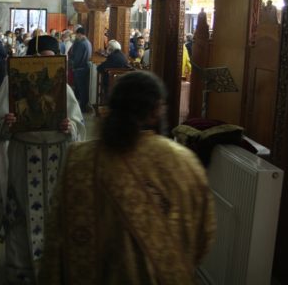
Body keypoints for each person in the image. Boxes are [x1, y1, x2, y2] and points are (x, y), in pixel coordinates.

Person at [39, 71, 216, 285]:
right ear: (155, 111)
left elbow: (56, 232)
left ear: (111, 109)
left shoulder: (78, 159)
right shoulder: (183, 162)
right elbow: (203, 234)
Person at [0, 35, 86, 284]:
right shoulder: (13, 84)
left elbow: (79, 125)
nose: (44, 67)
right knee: (21, 209)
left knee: (56, 210)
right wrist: (7, 125)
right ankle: (23, 269)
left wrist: (69, 126)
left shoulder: (63, 87)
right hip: (23, 155)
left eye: (50, 61)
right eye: (39, 60)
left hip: (57, 156)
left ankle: (55, 266)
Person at [68, 27, 92, 112]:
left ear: (79, 34)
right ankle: (83, 105)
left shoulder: (81, 44)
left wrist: (73, 66)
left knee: (81, 89)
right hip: (85, 67)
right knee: (83, 88)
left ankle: (82, 107)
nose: (76, 36)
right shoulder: (88, 42)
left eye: (76, 35)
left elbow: (77, 58)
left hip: (80, 69)